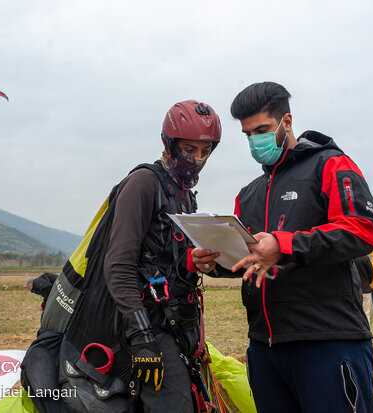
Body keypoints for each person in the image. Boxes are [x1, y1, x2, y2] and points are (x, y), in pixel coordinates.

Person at [20, 100, 222, 413]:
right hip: (136, 324)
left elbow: (160, 259)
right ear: (168, 144)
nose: (197, 159)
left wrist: (191, 262)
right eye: (188, 149)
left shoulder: (183, 194)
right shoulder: (144, 183)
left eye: (205, 151)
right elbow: (119, 263)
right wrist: (141, 336)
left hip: (169, 321)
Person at [191, 82, 373, 412]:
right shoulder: (248, 194)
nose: (254, 141)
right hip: (264, 347)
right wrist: (213, 263)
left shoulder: (330, 165)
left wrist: (285, 245)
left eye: (262, 130)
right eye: (247, 134)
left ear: (287, 122)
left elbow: (362, 230)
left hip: (328, 343)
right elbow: (247, 257)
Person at [354, 255, 373, 323]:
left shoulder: (349, 258)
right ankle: (366, 331)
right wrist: (367, 282)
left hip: (353, 289)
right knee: (366, 313)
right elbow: (371, 273)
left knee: (355, 313)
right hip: (365, 289)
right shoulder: (365, 258)